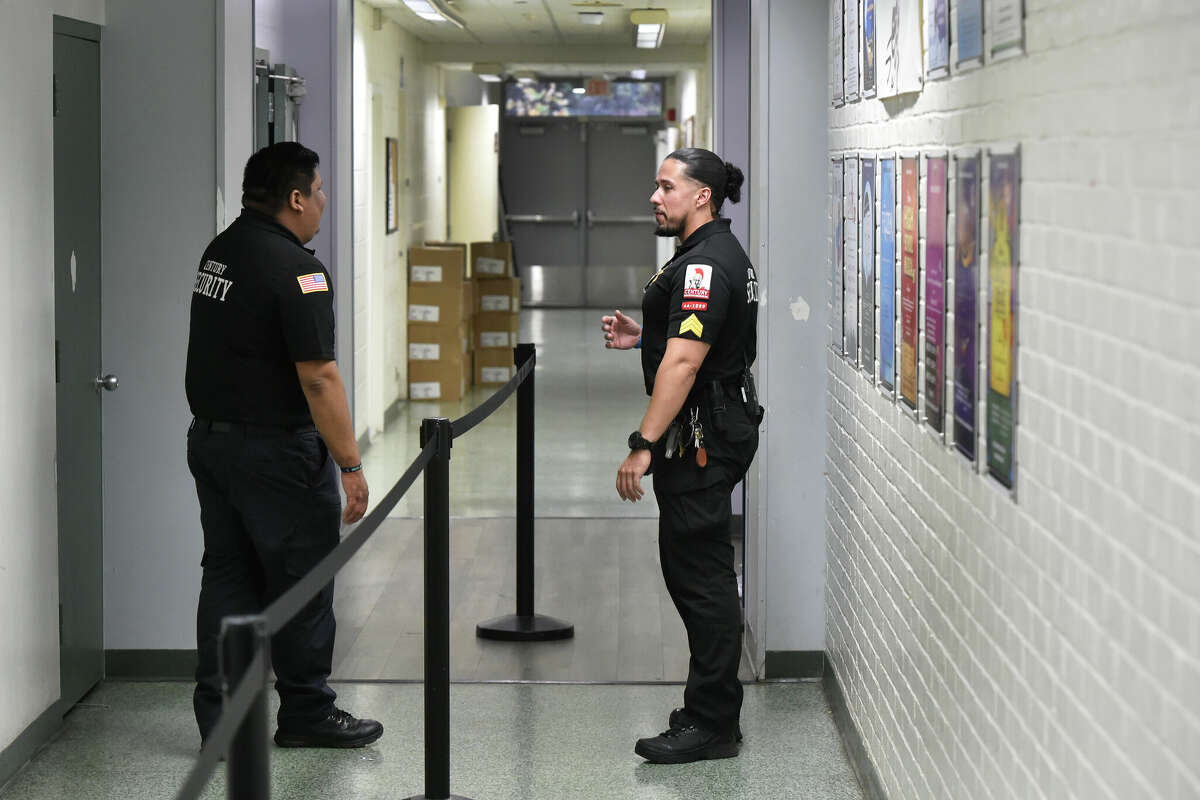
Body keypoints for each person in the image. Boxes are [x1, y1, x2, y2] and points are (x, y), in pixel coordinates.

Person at [185, 142, 381, 748]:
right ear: (296, 198)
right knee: (302, 581)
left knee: (228, 577)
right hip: (277, 453)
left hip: (213, 444)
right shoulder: (297, 269)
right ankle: (306, 714)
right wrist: (350, 463)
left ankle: (221, 720)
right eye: (319, 191)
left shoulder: (221, 251)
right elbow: (318, 376)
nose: (323, 202)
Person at [602, 147, 762, 764]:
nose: (654, 196)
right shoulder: (711, 255)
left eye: (666, 186)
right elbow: (700, 339)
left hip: (701, 435)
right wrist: (647, 335)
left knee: (701, 577)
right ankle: (711, 708)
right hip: (712, 423)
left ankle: (712, 721)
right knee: (696, 568)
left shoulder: (704, 265)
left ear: (702, 196)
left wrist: (642, 444)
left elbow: (688, 359)